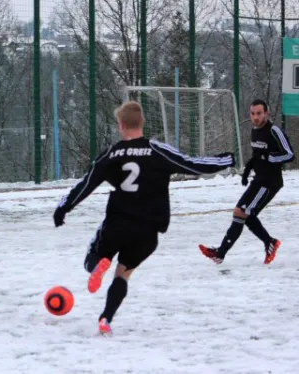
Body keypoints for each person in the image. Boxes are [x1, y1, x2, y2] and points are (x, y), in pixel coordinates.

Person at [53, 101, 235, 336]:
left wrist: (64, 208)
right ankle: (105, 318)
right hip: (148, 230)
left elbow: (87, 183)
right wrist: (225, 160)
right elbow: (191, 164)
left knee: (95, 253)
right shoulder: (157, 150)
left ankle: (97, 265)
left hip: (118, 222)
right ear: (143, 123)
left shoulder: (112, 153)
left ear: (120, 125)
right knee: (123, 273)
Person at [200, 99, 294, 265]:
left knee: (243, 212)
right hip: (258, 180)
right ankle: (266, 243)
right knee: (241, 213)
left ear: (267, 113)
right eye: (253, 114)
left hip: (269, 183)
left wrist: (272, 158)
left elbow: (289, 154)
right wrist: (247, 172)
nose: (256, 117)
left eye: (259, 113)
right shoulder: (254, 131)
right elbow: (257, 156)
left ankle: (222, 253)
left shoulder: (274, 131)